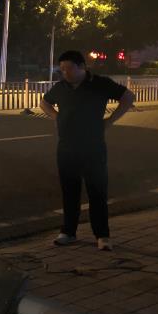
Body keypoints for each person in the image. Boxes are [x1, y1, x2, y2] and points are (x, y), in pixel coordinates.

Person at [40, 50, 135, 251]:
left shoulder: (100, 84)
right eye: (62, 69)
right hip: (66, 147)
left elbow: (128, 97)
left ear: (82, 67)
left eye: (68, 68)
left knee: (97, 191)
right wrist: (56, 117)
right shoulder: (61, 87)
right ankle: (68, 232)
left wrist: (110, 120)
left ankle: (102, 235)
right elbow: (44, 102)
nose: (64, 73)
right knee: (69, 192)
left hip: (93, 146)